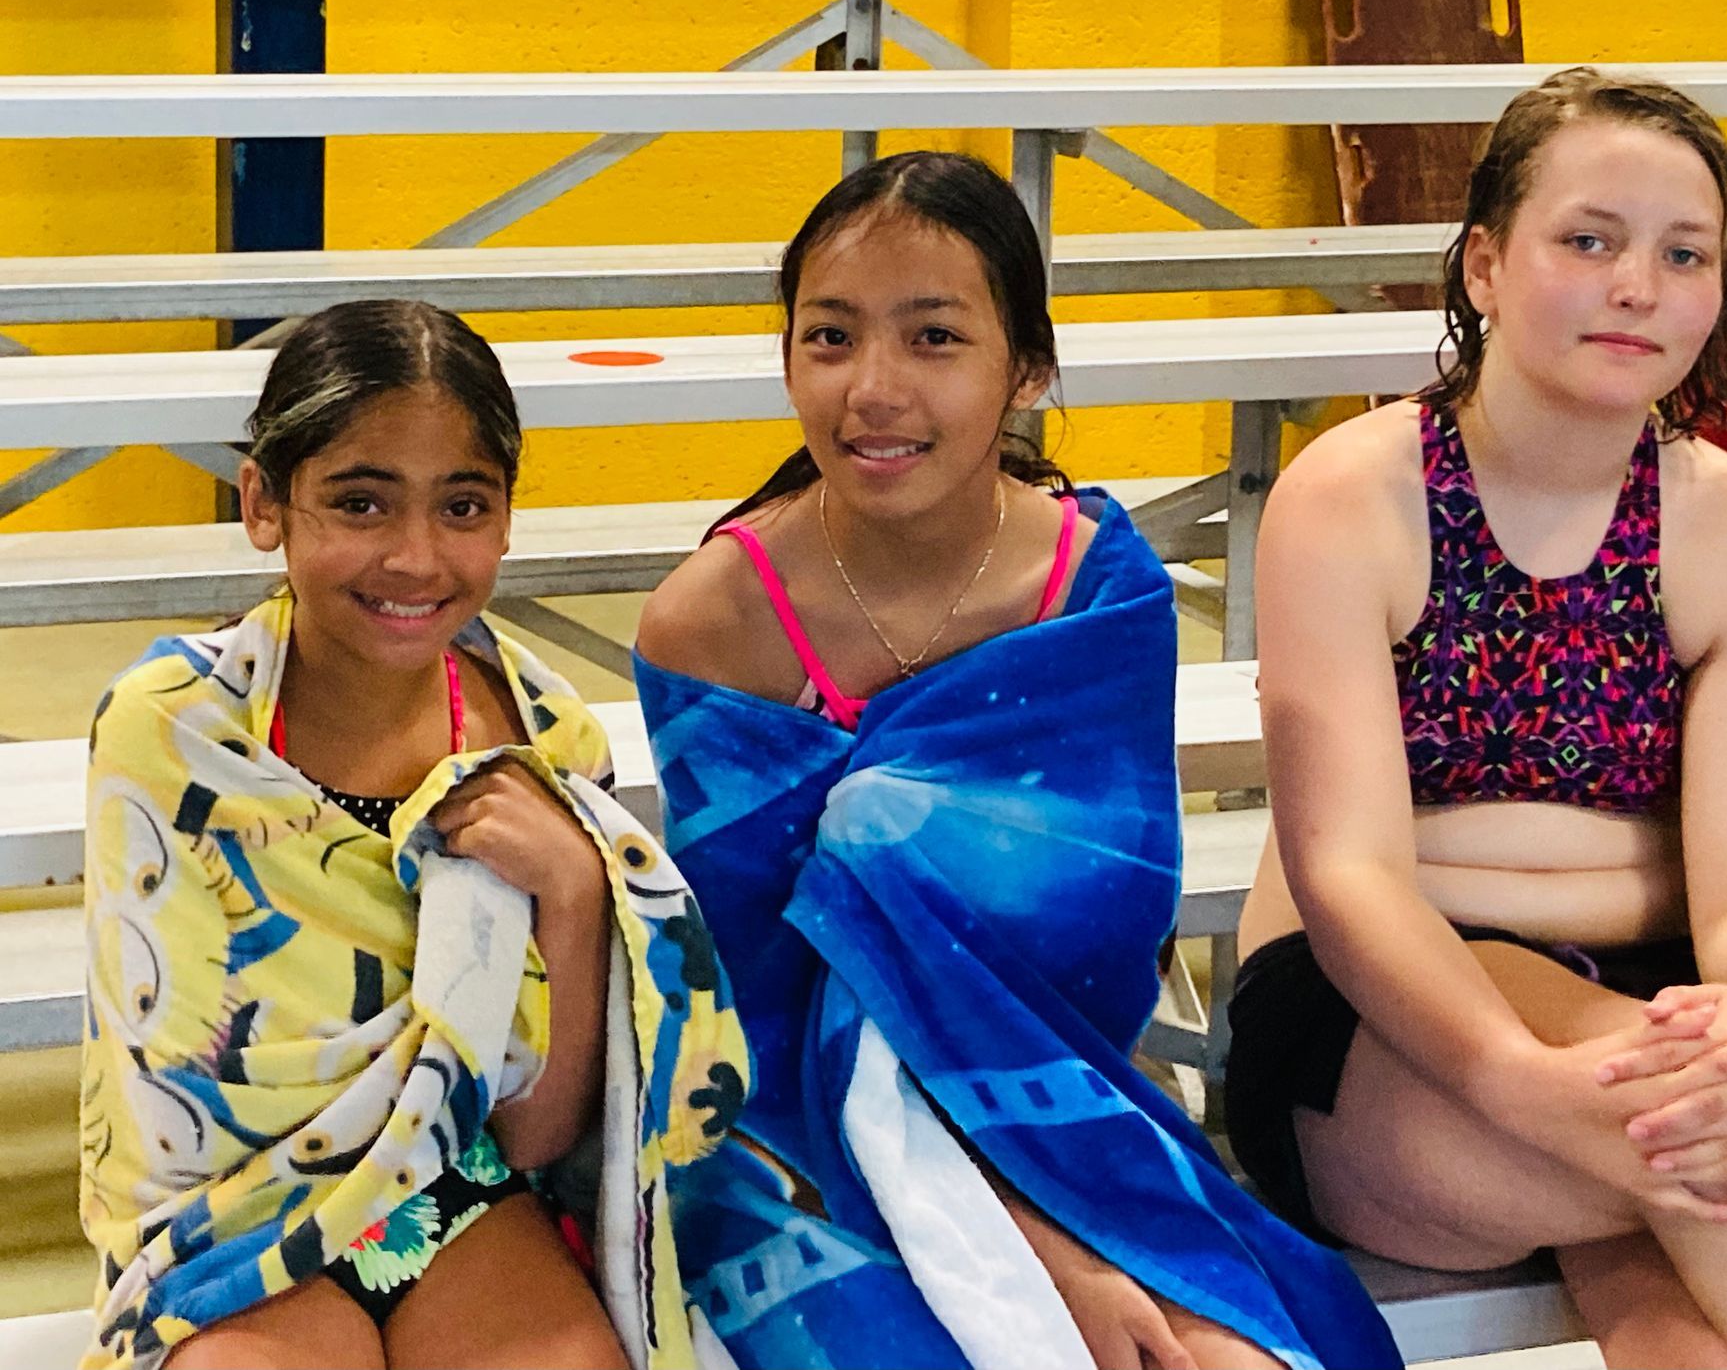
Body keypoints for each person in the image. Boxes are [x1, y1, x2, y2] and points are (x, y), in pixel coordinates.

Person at [634, 151, 1398, 1370]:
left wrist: (1055, 1211)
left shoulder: (1095, 596)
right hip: (789, 1146)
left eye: (934, 338)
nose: (872, 390)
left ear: (1026, 368)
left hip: (1057, 1098)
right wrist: (1030, 1250)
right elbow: (747, 1005)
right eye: (829, 337)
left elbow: (1098, 933)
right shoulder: (715, 621)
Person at [1225, 68, 1727, 1368]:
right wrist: (1518, 1075)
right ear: (1485, 263)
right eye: (1588, 240)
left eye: (1683, 253)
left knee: (1681, 1315)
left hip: (1660, 1016)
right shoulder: (1355, 500)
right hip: (1382, 1020)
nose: (1636, 285)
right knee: (1714, 1158)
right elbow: (1353, 877)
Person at [80, 300, 747, 1370]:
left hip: (454, 1192)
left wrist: (578, 894)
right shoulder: (173, 730)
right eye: (360, 502)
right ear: (264, 504)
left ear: (507, 518)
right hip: (231, 1218)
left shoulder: (541, 736)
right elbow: (175, 1111)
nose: (416, 557)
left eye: (464, 505)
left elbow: (535, 1139)